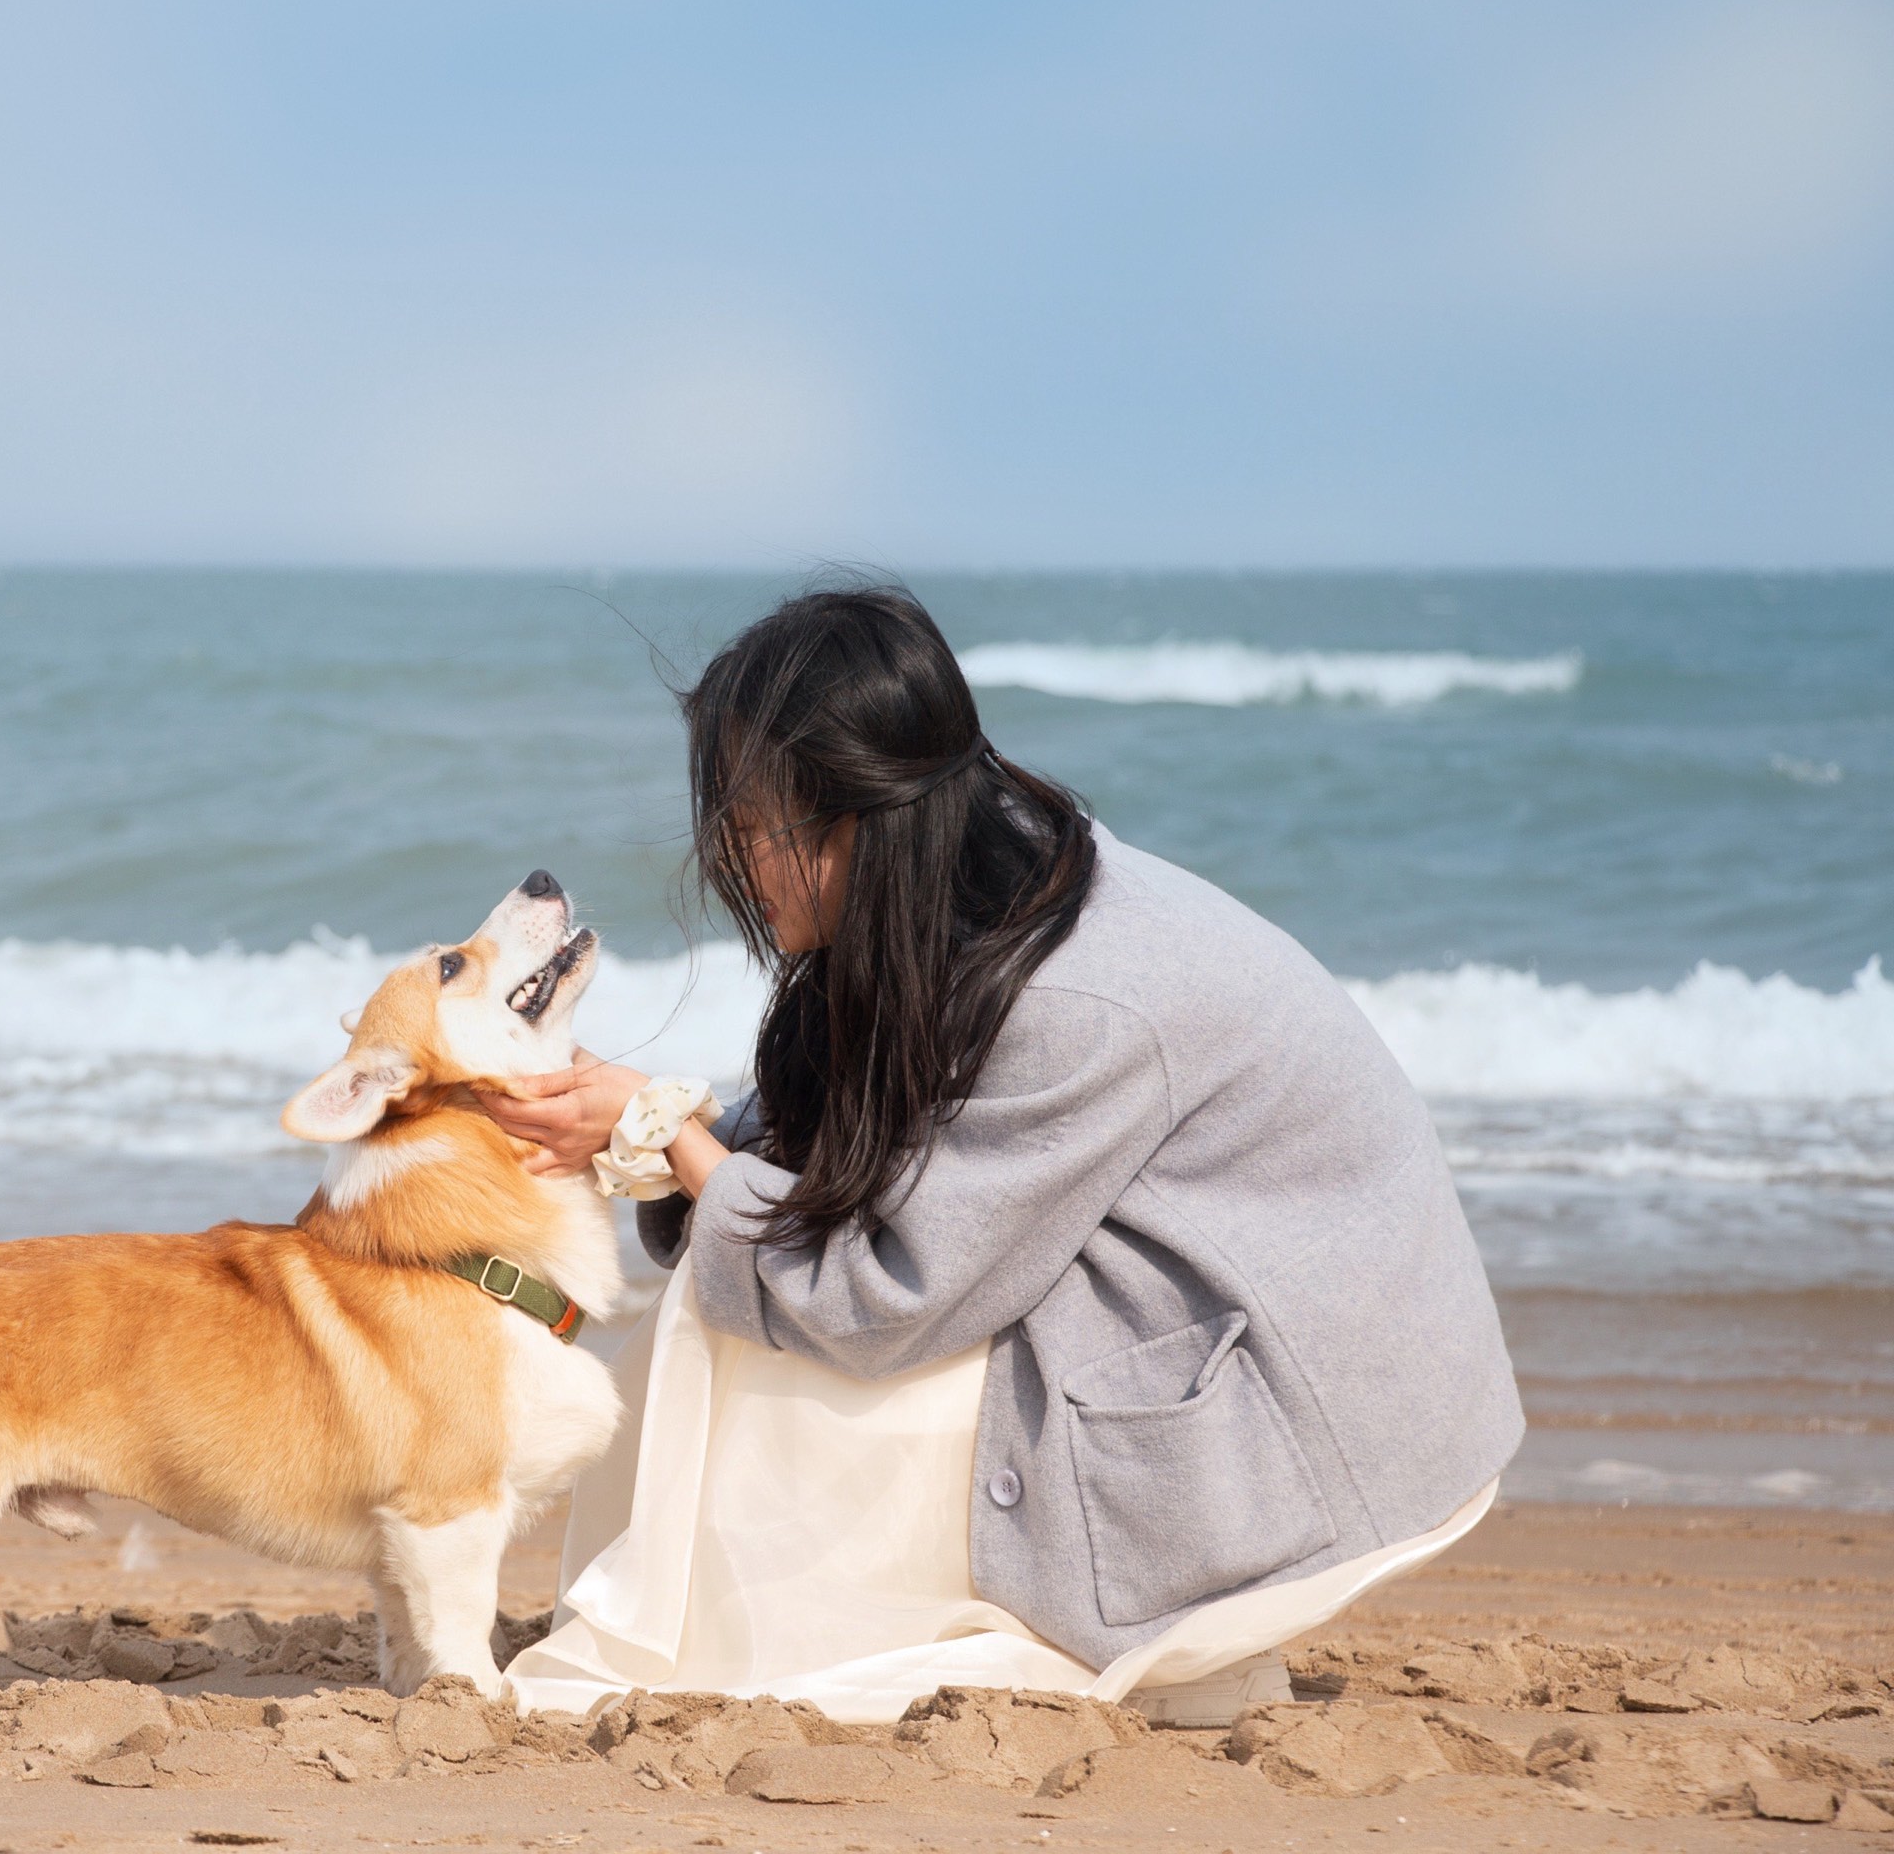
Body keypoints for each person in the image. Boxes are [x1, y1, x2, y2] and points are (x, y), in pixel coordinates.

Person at [478, 583, 1523, 1724]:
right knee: (733, 1298)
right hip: (1211, 1323)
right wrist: (658, 1138)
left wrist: (666, 1132)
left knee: (752, 1340)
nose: (728, 853)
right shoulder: (993, 888)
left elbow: (884, 1292)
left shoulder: (1074, 996)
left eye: (748, 820)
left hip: (1305, 1414)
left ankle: (1179, 1620)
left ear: (853, 817)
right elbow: (892, 1163)